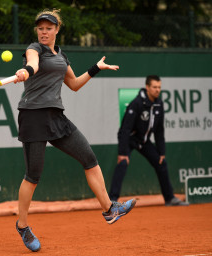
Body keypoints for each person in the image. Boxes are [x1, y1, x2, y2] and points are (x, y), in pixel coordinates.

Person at [13, 9, 136, 252]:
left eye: (49, 28)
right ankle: (23, 226)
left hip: (56, 116)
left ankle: (109, 210)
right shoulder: (34, 49)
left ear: (57, 29)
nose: (44, 32)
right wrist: (25, 71)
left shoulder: (61, 56)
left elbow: (75, 84)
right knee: (33, 175)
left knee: (89, 158)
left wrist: (96, 68)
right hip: (33, 116)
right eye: (41, 28)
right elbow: (32, 64)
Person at [108, 75, 189, 207]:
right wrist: (122, 152)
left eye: (159, 87)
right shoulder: (137, 103)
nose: (157, 90)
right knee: (122, 163)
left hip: (143, 141)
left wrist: (161, 151)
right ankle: (112, 199)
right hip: (129, 139)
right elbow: (125, 129)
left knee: (161, 163)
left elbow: (159, 130)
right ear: (147, 87)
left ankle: (169, 198)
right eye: (154, 87)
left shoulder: (159, 104)